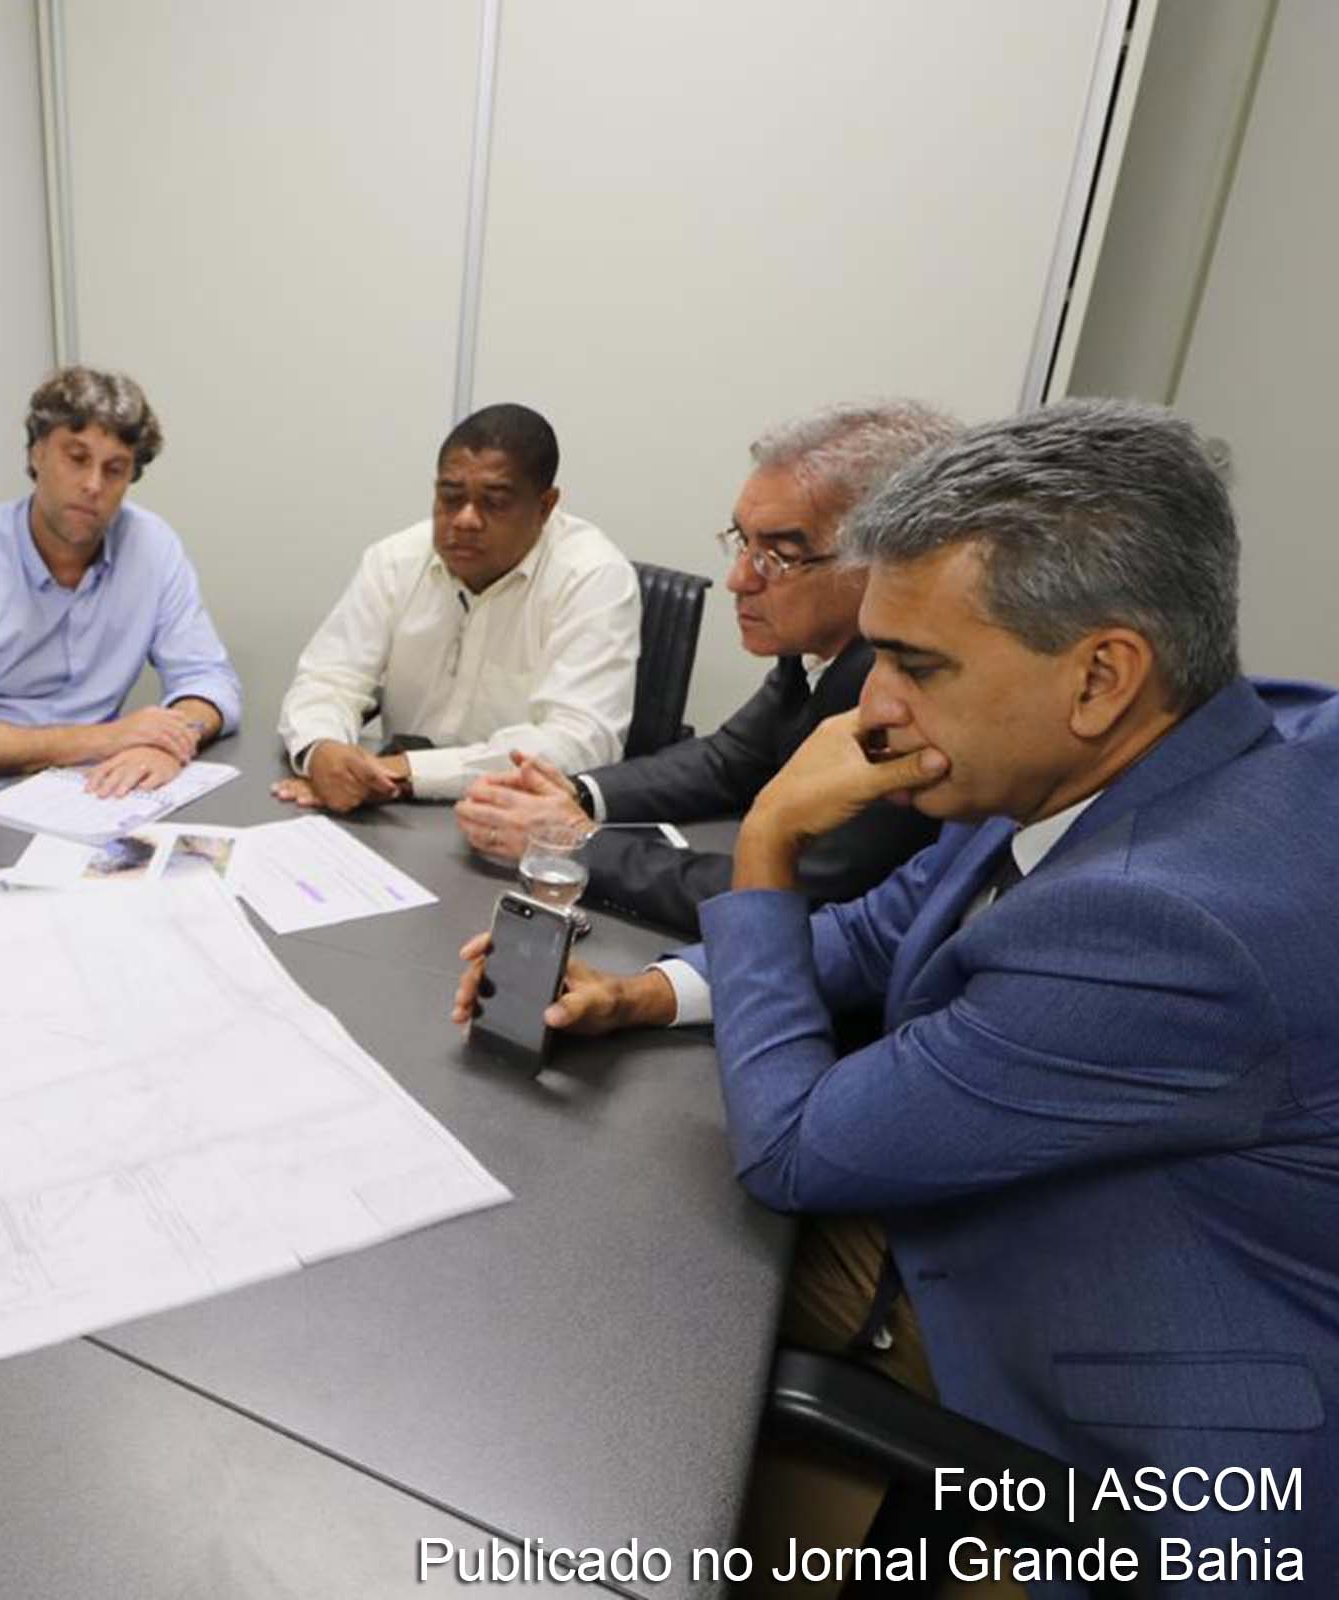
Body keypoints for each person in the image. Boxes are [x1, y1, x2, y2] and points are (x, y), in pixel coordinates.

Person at [453, 400, 1339, 1576]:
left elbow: (794, 1149)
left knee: (615, 1260)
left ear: (1101, 676)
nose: (871, 710)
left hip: (1121, 1426)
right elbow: (879, 933)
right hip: (1037, 1213)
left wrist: (768, 839)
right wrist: (649, 993)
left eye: (916, 666)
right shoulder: (1145, 749)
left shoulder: (1161, 921)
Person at [454, 401, 954, 935]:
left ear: (885, 562)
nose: (739, 579)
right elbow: (727, 760)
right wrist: (574, 796)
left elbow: (799, 894)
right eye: (743, 542)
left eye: (779, 555)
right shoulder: (818, 648)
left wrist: (580, 844)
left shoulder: (901, 696)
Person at [0, 367, 242, 840]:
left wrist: (169, 740)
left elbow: (209, 679)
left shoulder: (151, 547)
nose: (93, 485)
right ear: (37, 453)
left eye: (115, 469)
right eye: (77, 458)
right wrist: (109, 738)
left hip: (89, 798)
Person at [271, 402, 639, 813]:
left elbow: (579, 741)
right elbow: (327, 679)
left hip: (515, 817)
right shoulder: (395, 561)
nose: (465, 520)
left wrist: (407, 772)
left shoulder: (593, 576)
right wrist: (324, 751)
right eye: (450, 497)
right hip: (389, 809)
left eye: (494, 503)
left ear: (545, 507)